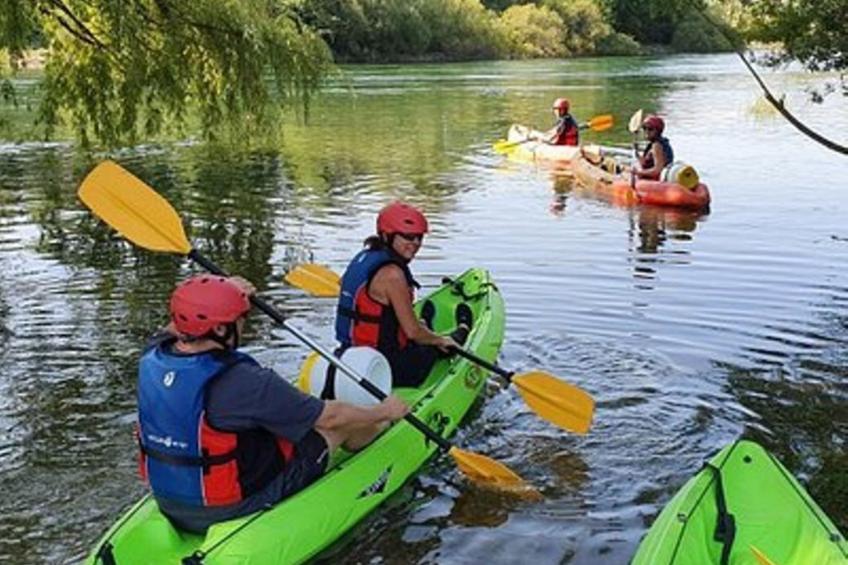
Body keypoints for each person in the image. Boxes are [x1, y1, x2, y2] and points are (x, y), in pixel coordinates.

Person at [136, 275, 408, 533]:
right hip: (228, 509)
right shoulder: (247, 381)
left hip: (168, 500)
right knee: (337, 426)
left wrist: (224, 292)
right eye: (240, 318)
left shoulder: (152, 355)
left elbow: (182, 323)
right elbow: (331, 418)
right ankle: (380, 439)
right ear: (219, 328)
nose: (243, 324)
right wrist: (385, 410)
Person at [335, 202, 472, 388]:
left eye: (419, 237)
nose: (415, 243)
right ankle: (462, 329)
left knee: (419, 328)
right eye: (408, 236)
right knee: (443, 346)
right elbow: (413, 333)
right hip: (385, 366)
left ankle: (425, 321)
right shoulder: (393, 274)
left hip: (350, 356)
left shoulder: (363, 257)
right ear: (387, 235)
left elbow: (343, 284)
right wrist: (440, 339)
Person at [635, 114, 674, 180]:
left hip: (655, 182)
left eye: (650, 129)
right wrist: (637, 154)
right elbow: (646, 163)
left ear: (658, 131)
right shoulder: (661, 142)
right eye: (644, 128)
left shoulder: (657, 146)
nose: (646, 131)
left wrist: (638, 172)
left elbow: (657, 170)